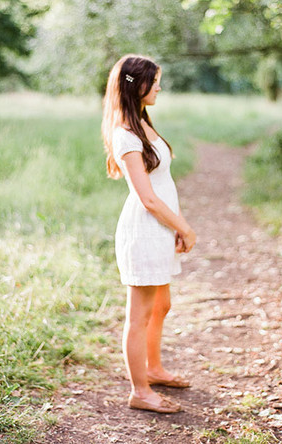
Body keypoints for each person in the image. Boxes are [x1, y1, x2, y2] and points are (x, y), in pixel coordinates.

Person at [101, 54, 196, 414]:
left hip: (159, 229)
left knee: (162, 305)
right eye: (154, 81)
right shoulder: (125, 135)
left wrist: (176, 224)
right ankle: (139, 391)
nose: (159, 87)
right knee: (138, 316)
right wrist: (184, 227)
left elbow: (163, 185)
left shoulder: (141, 121)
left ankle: (154, 369)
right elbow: (148, 198)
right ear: (135, 84)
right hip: (143, 231)